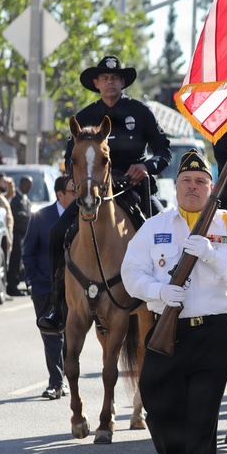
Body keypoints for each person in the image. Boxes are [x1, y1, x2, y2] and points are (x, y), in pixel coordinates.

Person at [122, 151, 227, 454]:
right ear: (175, 187)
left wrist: (210, 255)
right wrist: (159, 292)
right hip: (167, 333)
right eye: (186, 182)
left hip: (213, 332)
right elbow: (131, 272)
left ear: (211, 188)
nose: (193, 188)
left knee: (203, 418)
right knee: (158, 407)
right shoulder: (155, 225)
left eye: (200, 182)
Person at [38, 55, 172, 334]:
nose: (110, 82)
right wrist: (78, 180)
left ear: (123, 82)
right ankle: (55, 302)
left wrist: (146, 167)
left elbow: (164, 150)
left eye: (115, 78)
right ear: (96, 83)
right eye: (104, 78)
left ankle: (166, 303)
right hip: (94, 191)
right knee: (56, 233)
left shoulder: (142, 111)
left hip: (135, 189)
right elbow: (69, 158)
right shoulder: (85, 116)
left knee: (165, 233)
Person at [22, 176, 76, 399]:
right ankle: (55, 382)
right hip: (44, 287)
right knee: (51, 334)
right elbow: (28, 250)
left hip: (74, 288)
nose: (77, 195)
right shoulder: (41, 217)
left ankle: (64, 377)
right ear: (60, 194)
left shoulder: (82, 215)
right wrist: (33, 279)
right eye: (73, 191)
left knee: (69, 335)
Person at [8, 176, 33, 296]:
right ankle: (11, 286)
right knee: (15, 261)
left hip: (24, 234)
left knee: (20, 262)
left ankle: (16, 284)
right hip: (16, 233)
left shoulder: (26, 198)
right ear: (22, 184)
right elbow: (14, 215)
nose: (29, 189)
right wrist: (27, 216)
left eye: (30, 187)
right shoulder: (15, 198)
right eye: (27, 185)